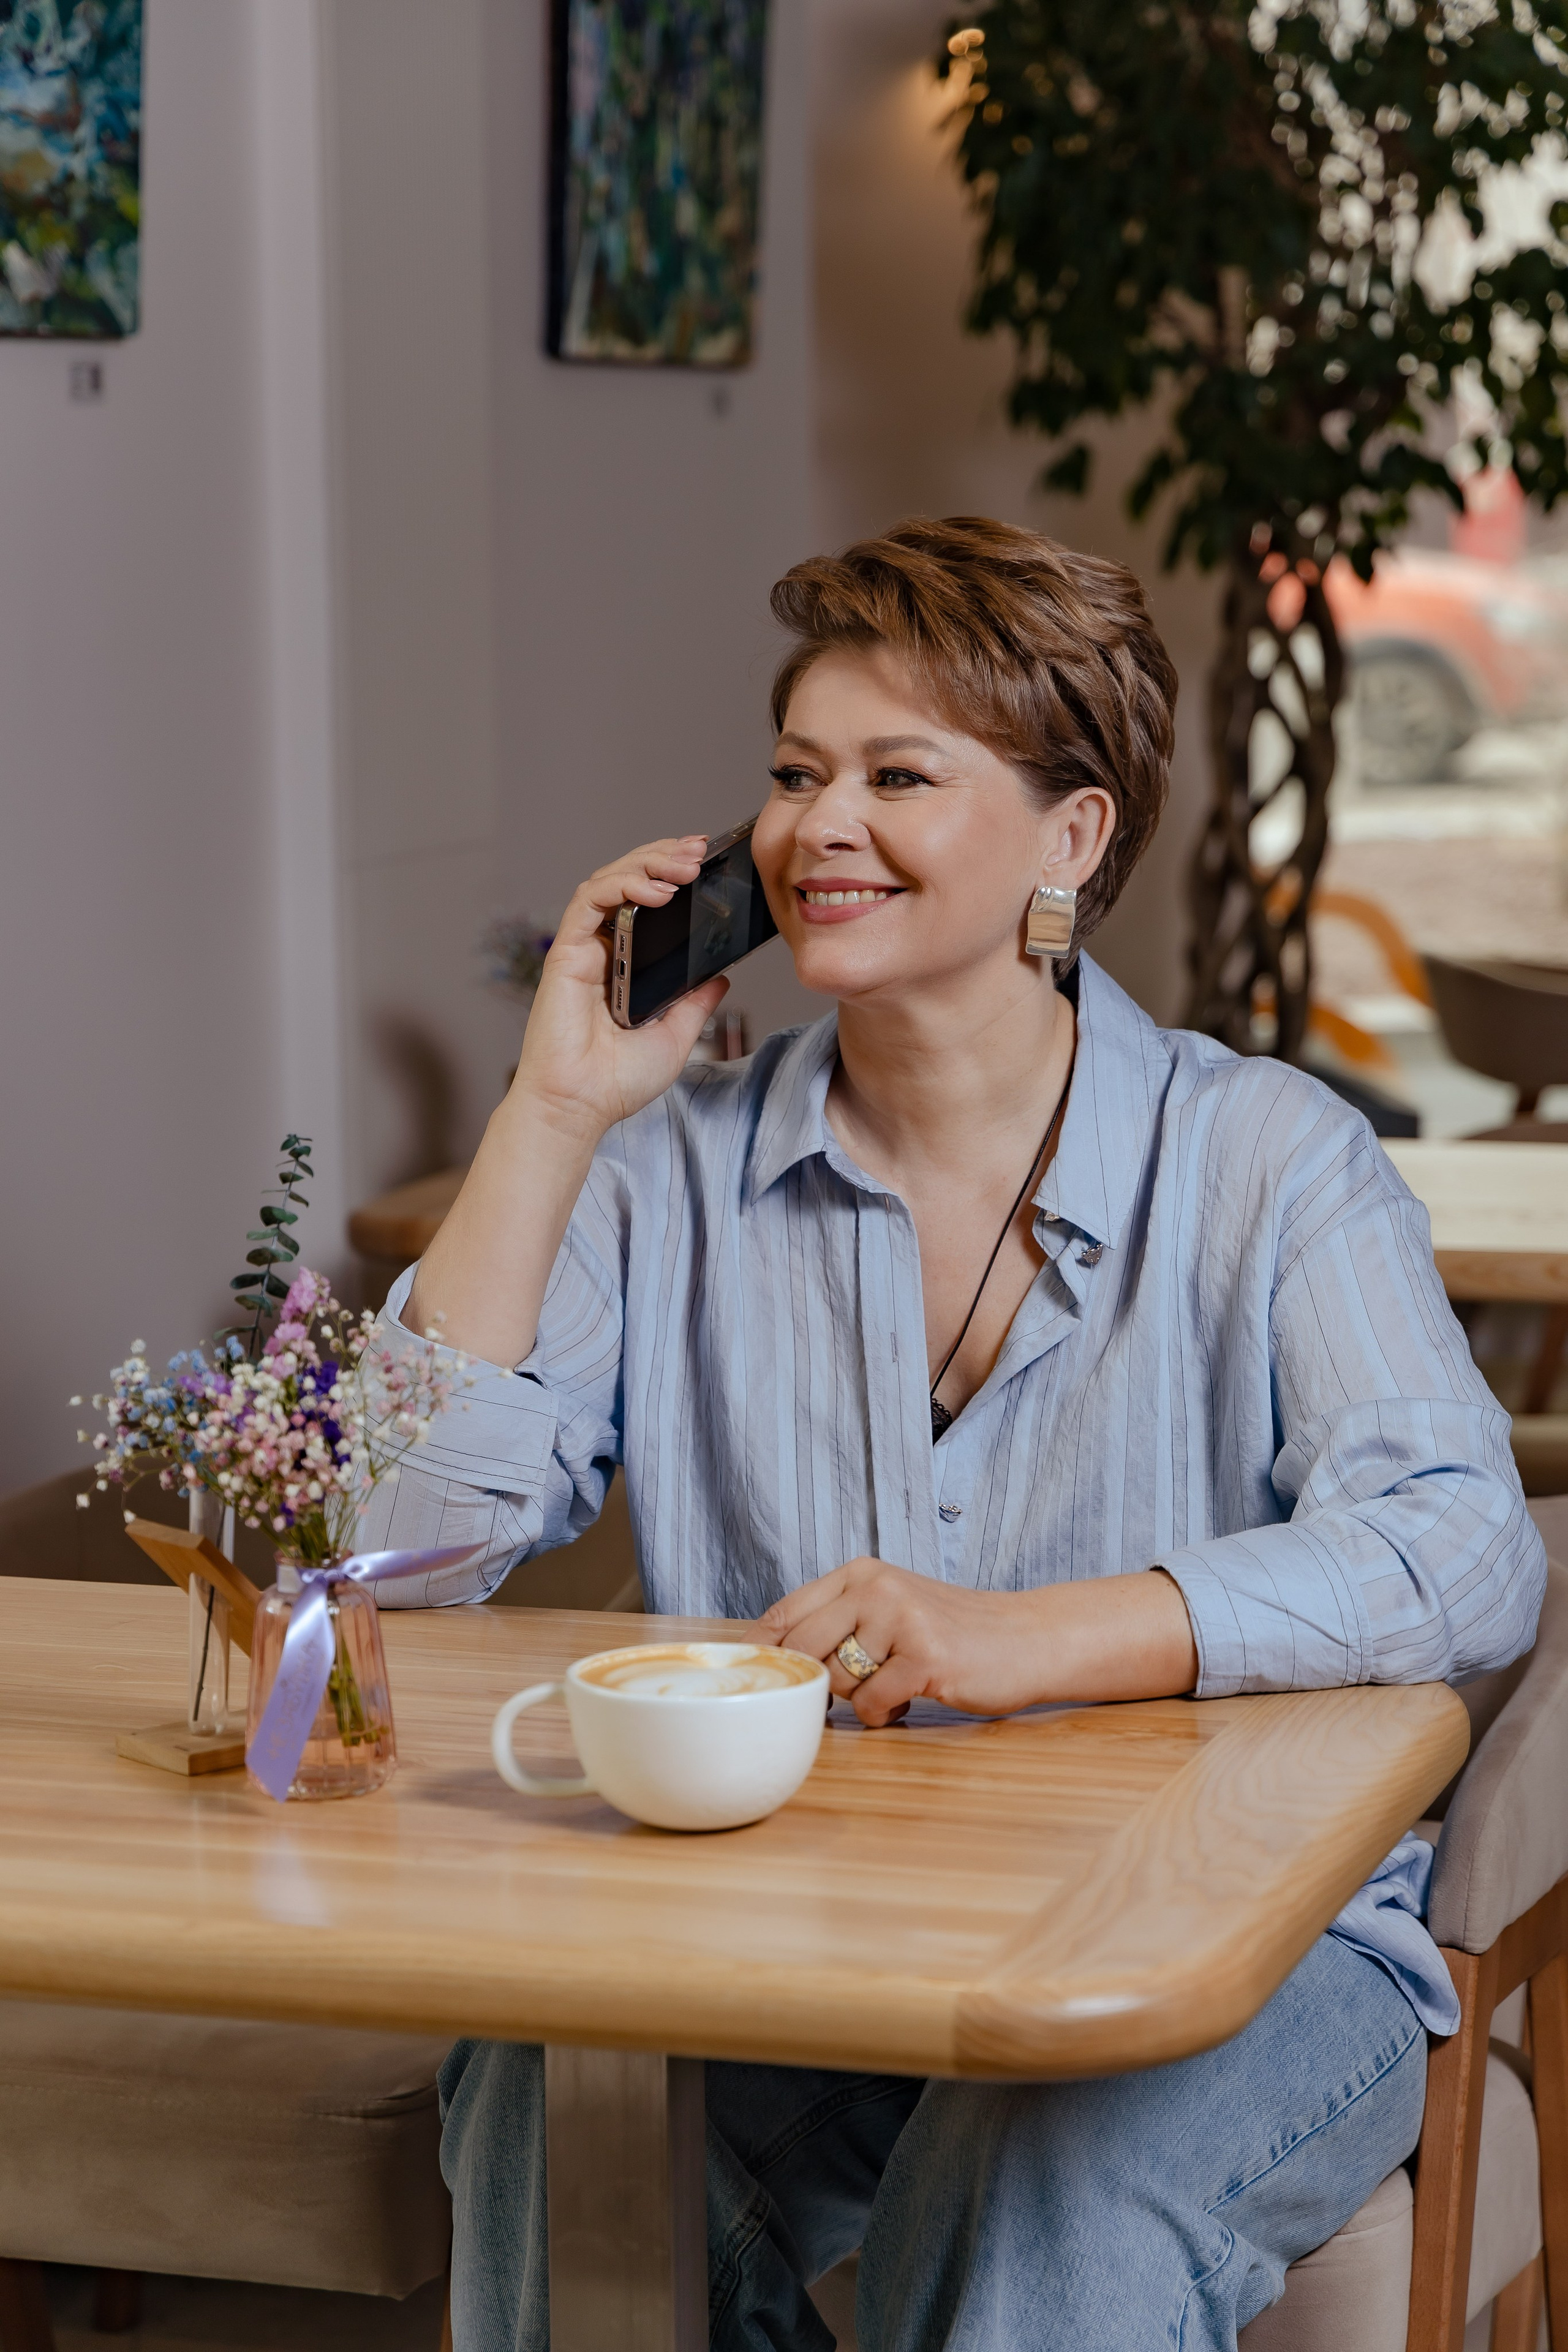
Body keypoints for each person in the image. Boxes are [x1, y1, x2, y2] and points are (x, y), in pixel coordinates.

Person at [365, 517, 1545, 2351]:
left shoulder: (1266, 1158)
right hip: (805, 1939)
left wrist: (1024, 1636)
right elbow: (399, 1545)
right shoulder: (663, 1170)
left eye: (898, 774)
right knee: (547, 2086)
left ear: (1071, 839)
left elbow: (1466, 1542)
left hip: (1236, 1960)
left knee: (1036, 2157)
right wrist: (549, 1110)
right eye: (794, 774)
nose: (819, 824)